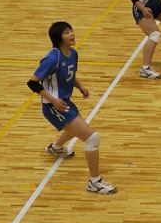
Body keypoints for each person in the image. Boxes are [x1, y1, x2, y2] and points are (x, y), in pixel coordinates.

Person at [26, 21, 116, 194]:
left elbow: (69, 74)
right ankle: (94, 182)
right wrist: (53, 100)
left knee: (76, 126)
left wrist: (79, 85)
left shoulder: (73, 54)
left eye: (71, 30)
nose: (72, 34)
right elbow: (32, 83)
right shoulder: (52, 58)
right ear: (58, 38)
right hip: (54, 106)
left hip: (65, 102)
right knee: (92, 138)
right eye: (67, 33)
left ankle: (56, 147)